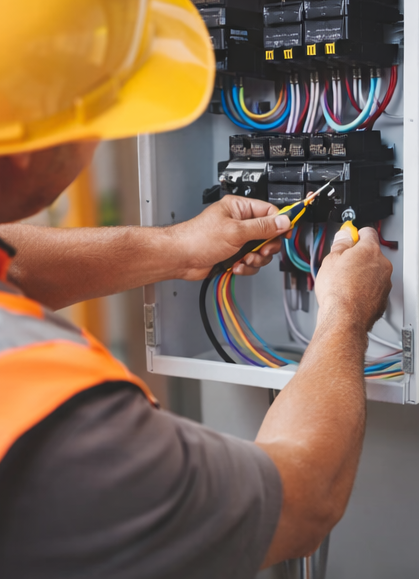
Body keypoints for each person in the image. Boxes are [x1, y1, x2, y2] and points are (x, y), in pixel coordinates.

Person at [0, 1, 392, 577]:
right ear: (34, 150)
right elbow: (303, 499)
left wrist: (181, 247)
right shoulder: (58, 413)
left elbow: (18, 265)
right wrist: (345, 313)